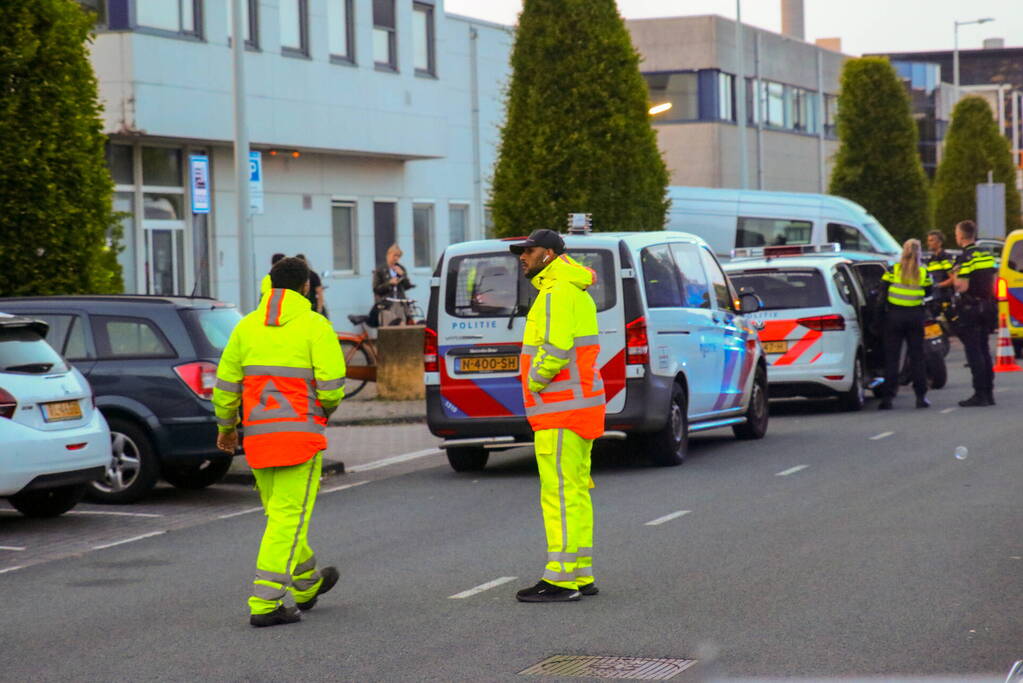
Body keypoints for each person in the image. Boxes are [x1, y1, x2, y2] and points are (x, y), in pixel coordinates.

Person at [212, 256, 347, 627]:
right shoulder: (315, 325)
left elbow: (225, 387)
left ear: (268, 284)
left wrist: (226, 428)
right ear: (305, 287)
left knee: (280, 516)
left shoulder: (246, 327)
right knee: (289, 518)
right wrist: (322, 412)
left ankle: (306, 585)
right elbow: (333, 386)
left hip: (258, 438)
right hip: (299, 438)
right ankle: (265, 603)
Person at [509, 229, 605, 603]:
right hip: (578, 408)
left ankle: (561, 581)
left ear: (548, 254)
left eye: (529, 251)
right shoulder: (572, 289)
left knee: (559, 495)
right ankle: (580, 573)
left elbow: (556, 348)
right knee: (576, 493)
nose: (523, 257)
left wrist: (534, 381)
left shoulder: (555, 291)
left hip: (559, 411)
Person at [878, 239, 933, 410]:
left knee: (892, 358)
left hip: (894, 317)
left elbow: (882, 294)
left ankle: (888, 398)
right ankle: (920, 397)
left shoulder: (893, 270)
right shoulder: (924, 272)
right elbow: (930, 295)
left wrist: (878, 320)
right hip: (915, 317)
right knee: (917, 358)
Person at [951, 219, 998, 407]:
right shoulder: (986, 254)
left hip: (970, 308)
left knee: (974, 352)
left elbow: (962, 286)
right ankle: (989, 392)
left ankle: (979, 393)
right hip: (987, 306)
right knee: (985, 350)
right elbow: (993, 280)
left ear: (961, 236)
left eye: (956, 234)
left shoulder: (964, 258)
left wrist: (955, 276)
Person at [372, 244, 415, 326]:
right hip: (387, 305)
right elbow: (376, 289)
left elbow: (407, 286)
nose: (396, 258)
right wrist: (389, 283)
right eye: (394, 255)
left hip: (400, 303)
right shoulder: (380, 270)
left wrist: (403, 275)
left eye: (398, 256)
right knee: (390, 327)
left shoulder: (401, 268)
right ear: (388, 255)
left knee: (402, 326)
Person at [925, 231, 955, 305]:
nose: (928, 243)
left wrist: (937, 285)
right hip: (934, 298)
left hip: (944, 298)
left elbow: (953, 278)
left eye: (931, 240)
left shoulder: (945, 257)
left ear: (939, 242)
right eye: (928, 240)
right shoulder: (931, 259)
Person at [296, 254, 327, 318]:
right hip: (312, 306)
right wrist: (319, 309)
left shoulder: (294, 275)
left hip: (300, 308)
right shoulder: (313, 274)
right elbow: (320, 293)